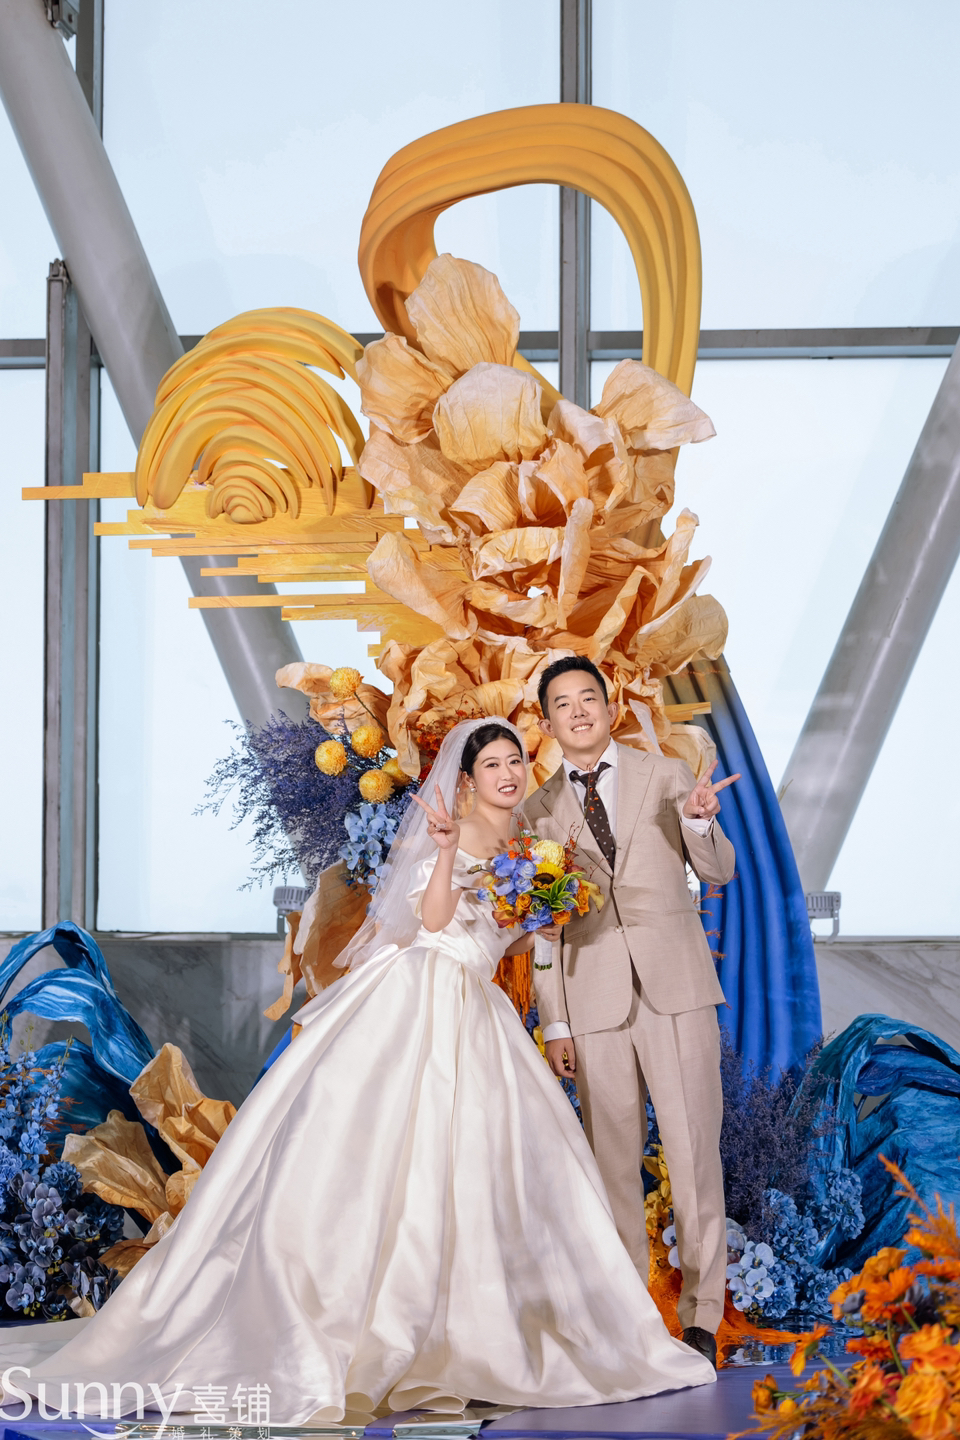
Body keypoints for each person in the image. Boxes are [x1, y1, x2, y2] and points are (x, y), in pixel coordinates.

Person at [0, 718, 714, 1429]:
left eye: (514, 762)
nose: (507, 774)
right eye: (493, 764)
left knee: (479, 1162)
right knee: (386, 1148)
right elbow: (434, 919)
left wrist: (540, 925)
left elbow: (506, 935)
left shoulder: (531, 844)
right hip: (426, 991)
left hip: (479, 999)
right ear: (468, 779)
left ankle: (471, 1326)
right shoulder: (457, 831)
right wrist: (444, 852)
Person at [522, 659, 740, 1372]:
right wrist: (555, 1022)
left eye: (589, 697)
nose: (578, 711)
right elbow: (545, 933)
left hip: (676, 988)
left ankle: (702, 1317)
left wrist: (699, 824)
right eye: (563, 703)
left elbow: (719, 872)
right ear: (548, 722)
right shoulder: (537, 811)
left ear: (610, 706)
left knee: (693, 1153)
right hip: (592, 1001)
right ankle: (629, 1322)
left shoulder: (666, 775)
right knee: (611, 1165)